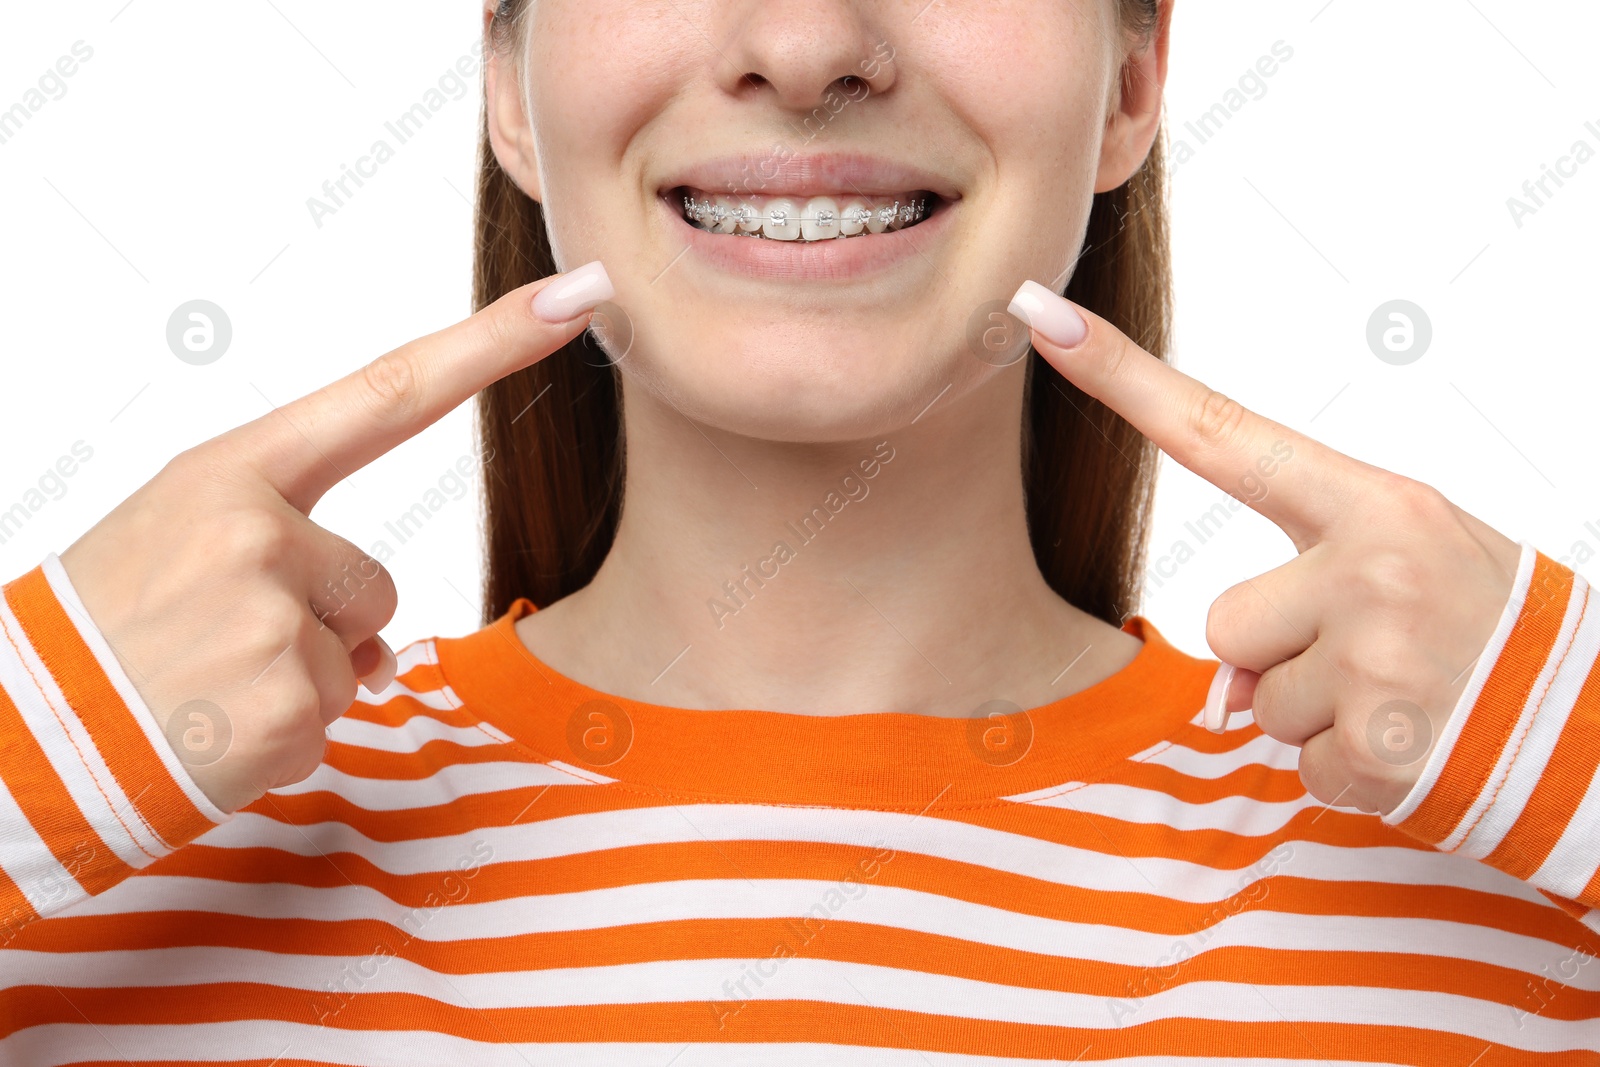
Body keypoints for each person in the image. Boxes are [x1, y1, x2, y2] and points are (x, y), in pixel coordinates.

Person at [2, 0, 1597, 1061]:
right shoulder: (90, 844)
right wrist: (29, 746)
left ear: (1132, 84)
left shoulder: (1521, 864)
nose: (807, 41)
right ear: (506, 84)